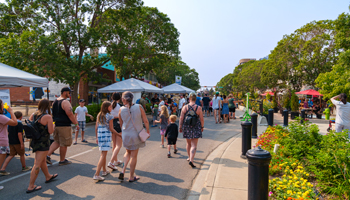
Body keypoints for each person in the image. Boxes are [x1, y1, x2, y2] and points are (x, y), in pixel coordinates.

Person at [27, 99, 58, 193]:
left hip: (35, 141)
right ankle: (31, 186)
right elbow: (50, 131)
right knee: (37, 163)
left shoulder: (33, 114)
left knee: (42, 160)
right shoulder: (48, 116)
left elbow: (30, 124)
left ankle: (48, 176)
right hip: (43, 142)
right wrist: (53, 125)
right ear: (48, 106)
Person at [118, 91, 150, 182]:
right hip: (136, 134)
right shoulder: (139, 107)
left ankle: (123, 170)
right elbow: (146, 121)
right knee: (134, 156)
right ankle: (131, 176)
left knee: (127, 152)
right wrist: (147, 131)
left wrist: (123, 132)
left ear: (124, 99)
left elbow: (121, 123)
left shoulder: (121, 109)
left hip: (126, 134)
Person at [46, 87, 79, 165]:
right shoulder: (65, 102)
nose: (70, 94)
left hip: (57, 124)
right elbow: (70, 114)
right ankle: (62, 160)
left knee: (57, 141)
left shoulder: (55, 102)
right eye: (69, 92)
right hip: (64, 125)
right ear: (64, 92)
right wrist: (76, 124)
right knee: (64, 143)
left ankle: (47, 156)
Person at [93, 101, 117, 181]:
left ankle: (104, 171)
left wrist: (96, 137)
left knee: (103, 154)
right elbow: (111, 128)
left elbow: (96, 127)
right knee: (103, 155)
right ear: (107, 108)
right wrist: (119, 135)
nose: (111, 108)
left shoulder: (99, 115)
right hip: (106, 137)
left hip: (100, 136)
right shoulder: (110, 116)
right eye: (110, 107)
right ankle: (97, 174)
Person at [179, 92, 204, 168]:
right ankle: (191, 160)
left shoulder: (185, 107)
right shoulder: (198, 108)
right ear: (195, 99)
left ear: (189, 98)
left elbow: (181, 118)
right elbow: (201, 119)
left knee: (188, 143)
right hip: (196, 127)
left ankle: (189, 157)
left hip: (187, 127)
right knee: (194, 145)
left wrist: (180, 127)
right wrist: (202, 127)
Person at [0, 100, 18, 179]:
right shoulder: (1, 117)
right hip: (2, 142)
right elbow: (15, 122)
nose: (3, 106)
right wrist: (11, 111)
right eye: (2, 104)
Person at [109, 92, 123, 169]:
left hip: (111, 124)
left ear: (112, 97)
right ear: (120, 98)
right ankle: (111, 161)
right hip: (118, 125)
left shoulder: (110, 105)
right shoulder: (120, 106)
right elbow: (122, 116)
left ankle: (116, 160)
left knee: (114, 144)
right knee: (118, 145)